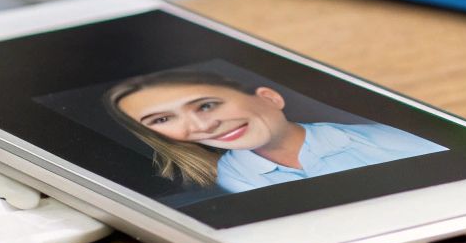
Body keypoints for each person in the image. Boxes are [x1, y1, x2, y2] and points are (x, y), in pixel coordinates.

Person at [106, 69, 443, 193]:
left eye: (207, 105)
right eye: (161, 120)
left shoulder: (381, 139)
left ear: (269, 98)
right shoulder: (232, 179)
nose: (201, 126)